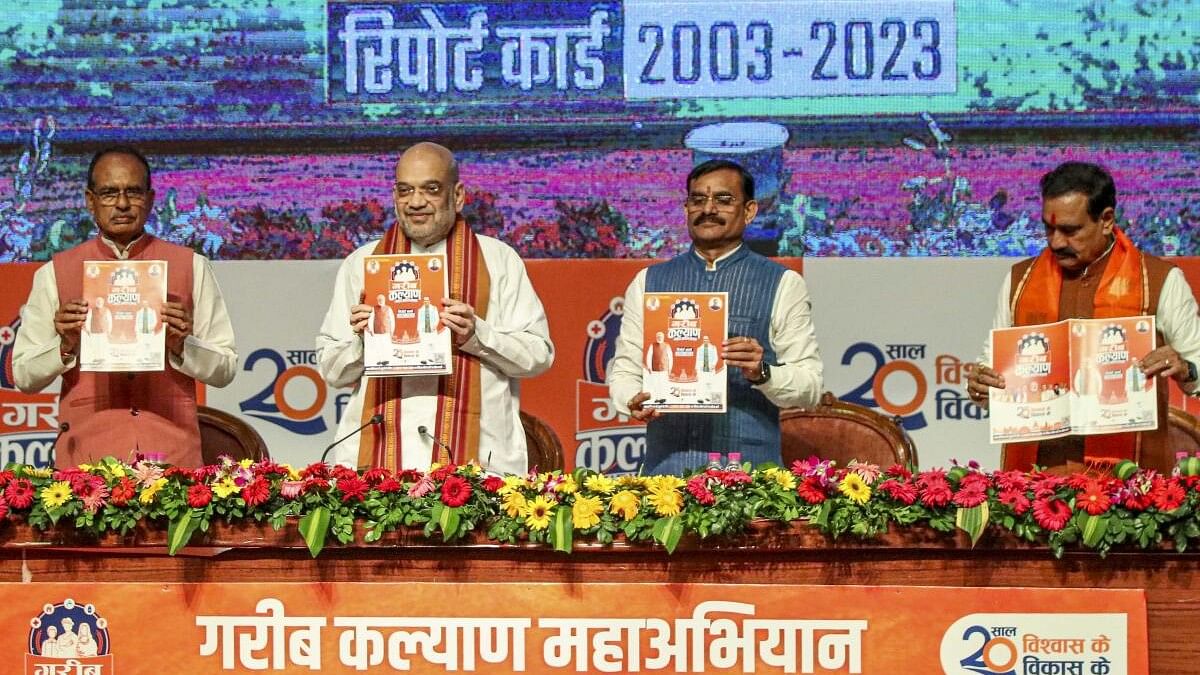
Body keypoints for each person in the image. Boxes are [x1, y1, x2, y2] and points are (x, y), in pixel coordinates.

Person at [317, 142, 553, 475]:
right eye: (405, 191)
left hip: (480, 465)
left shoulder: (498, 260)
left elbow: (539, 354)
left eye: (431, 189)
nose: (415, 202)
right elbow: (331, 369)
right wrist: (364, 343)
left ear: (457, 196)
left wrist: (476, 335)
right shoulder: (362, 263)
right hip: (373, 463)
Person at [965, 161, 1200, 473]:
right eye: (1049, 228)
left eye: (1070, 230)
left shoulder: (1158, 280)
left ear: (1106, 220)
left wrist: (1186, 369)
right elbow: (993, 382)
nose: (1056, 242)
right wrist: (983, 387)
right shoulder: (1019, 281)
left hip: (1130, 492)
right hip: (1035, 492)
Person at [13, 146, 237, 467]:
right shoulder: (56, 273)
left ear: (151, 198)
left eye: (133, 191)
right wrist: (65, 345)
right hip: (86, 461)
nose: (121, 203)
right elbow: (23, 376)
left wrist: (181, 346)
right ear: (90, 200)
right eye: (108, 193)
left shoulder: (191, 266)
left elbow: (225, 368)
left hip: (172, 459)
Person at [607, 159, 823, 475]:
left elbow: (811, 388)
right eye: (698, 200)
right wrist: (631, 400)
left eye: (723, 200)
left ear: (749, 211)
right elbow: (625, 369)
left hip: (750, 481)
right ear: (686, 210)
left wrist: (762, 372)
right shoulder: (649, 282)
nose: (708, 209)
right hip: (666, 480)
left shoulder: (782, 283)